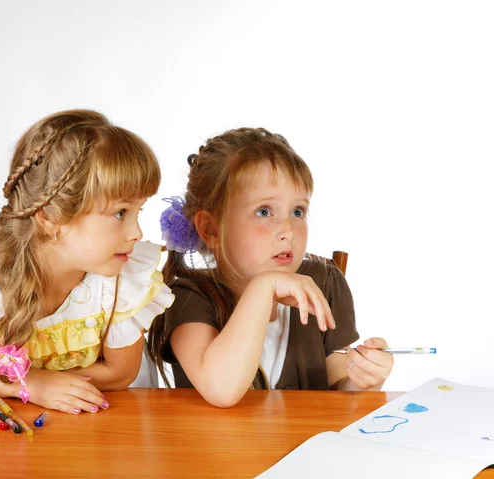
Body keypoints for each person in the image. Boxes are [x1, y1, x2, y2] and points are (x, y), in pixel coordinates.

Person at [0, 109, 174, 414]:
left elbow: (121, 373)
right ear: (49, 217)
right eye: (120, 213)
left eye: (139, 212)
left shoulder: (120, 282)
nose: (137, 233)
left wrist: (46, 384)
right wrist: (31, 384)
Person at [148, 127, 393, 408]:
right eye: (264, 211)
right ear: (211, 229)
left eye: (298, 211)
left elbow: (338, 392)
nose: (288, 230)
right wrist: (264, 287)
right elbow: (222, 389)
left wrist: (365, 381)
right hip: (220, 451)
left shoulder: (324, 282)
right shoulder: (187, 298)